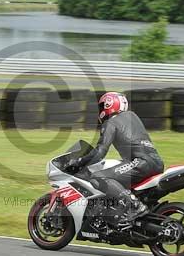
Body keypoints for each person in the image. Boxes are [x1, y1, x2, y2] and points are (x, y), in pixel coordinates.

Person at [66, 92, 164, 228]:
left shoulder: (111, 122)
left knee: (98, 177)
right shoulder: (132, 117)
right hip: (156, 163)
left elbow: (100, 152)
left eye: (102, 106)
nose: (101, 111)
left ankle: (134, 206)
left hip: (140, 162)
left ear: (108, 104)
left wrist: (80, 161)